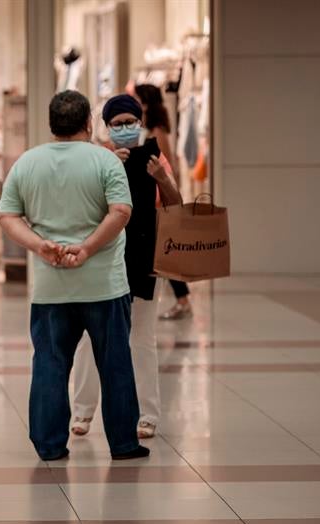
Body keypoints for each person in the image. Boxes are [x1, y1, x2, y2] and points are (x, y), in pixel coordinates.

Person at [0, 90, 149, 462]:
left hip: (51, 287)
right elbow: (120, 212)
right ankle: (123, 443)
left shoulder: (27, 163)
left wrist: (39, 246)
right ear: (87, 123)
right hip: (104, 285)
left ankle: (49, 444)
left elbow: (7, 216)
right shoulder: (106, 162)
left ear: (52, 124)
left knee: (50, 363)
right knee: (114, 363)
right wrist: (87, 249)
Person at [71, 94, 183, 440]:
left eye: (129, 122)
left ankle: (147, 414)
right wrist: (110, 168)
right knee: (91, 337)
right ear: (106, 127)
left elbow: (176, 206)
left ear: (139, 122)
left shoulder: (155, 156)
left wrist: (161, 179)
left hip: (145, 259)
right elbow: (84, 207)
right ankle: (83, 411)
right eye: (116, 124)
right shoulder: (98, 158)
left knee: (142, 339)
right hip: (104, 258)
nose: (124, 129)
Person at [134, 83, 193, 320]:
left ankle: (183, 300)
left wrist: (170, 194)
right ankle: (182, 299)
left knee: (166, 254)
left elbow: (166, 165)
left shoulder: (157, 130)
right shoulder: (149, 127)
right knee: (164, 254)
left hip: (160, 202)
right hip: (155, 200)